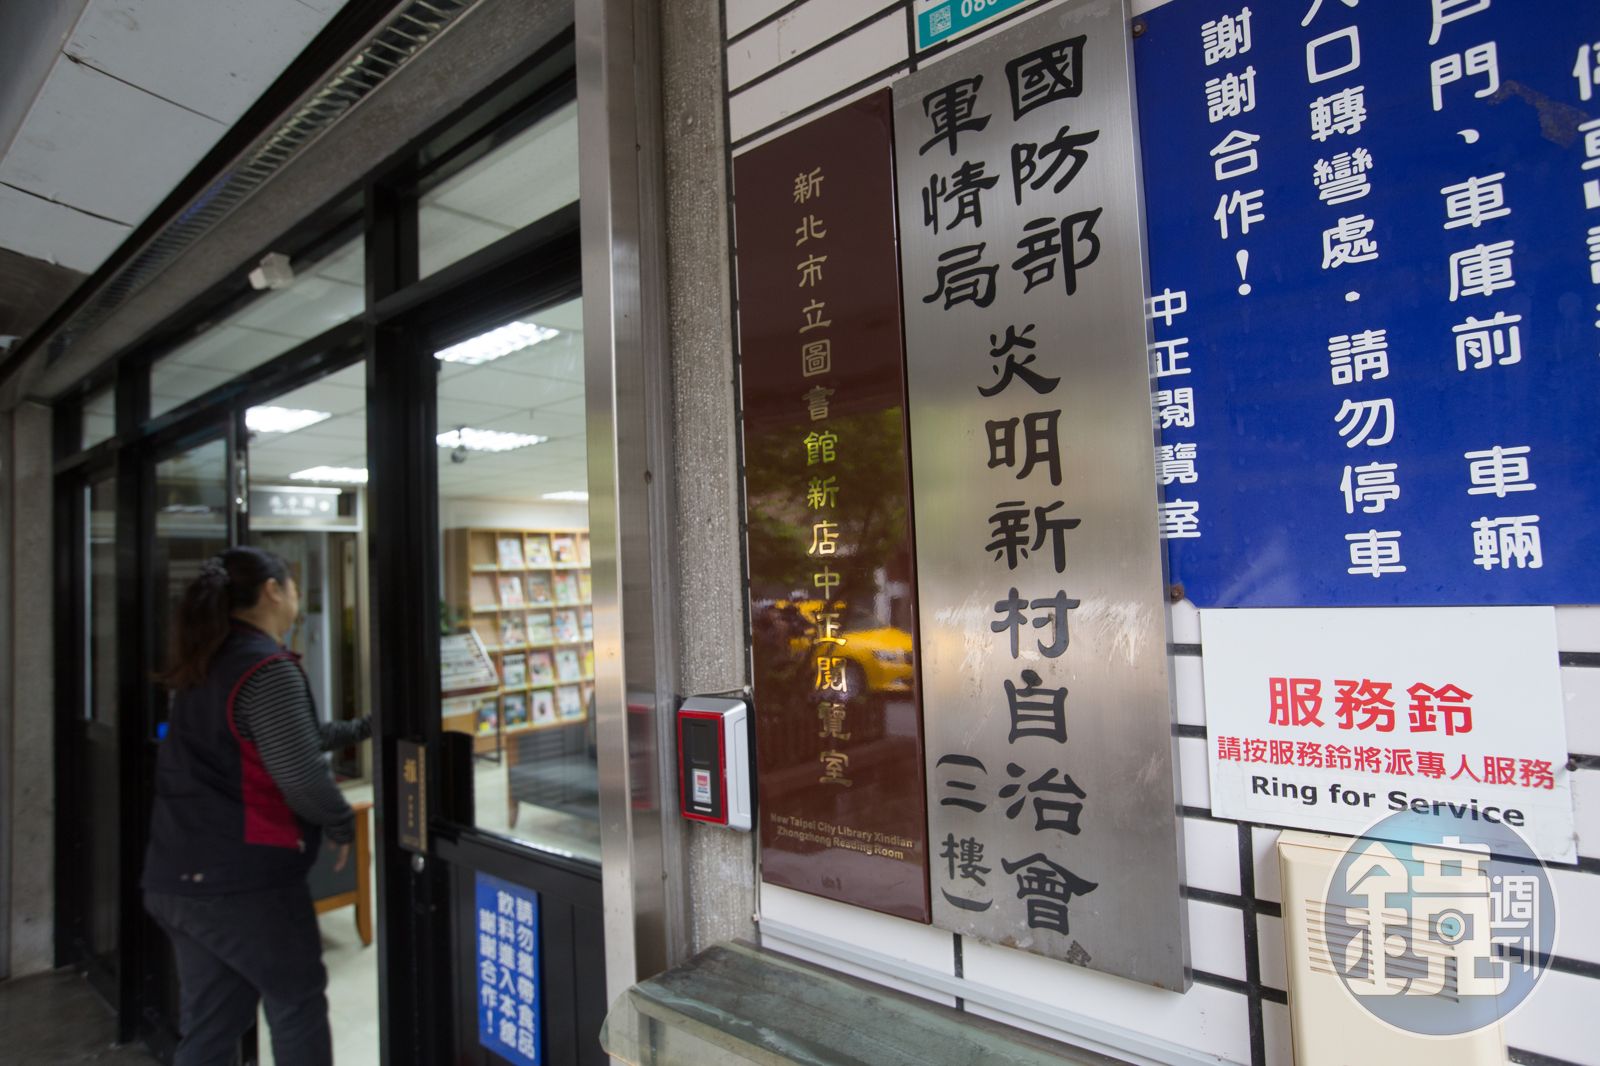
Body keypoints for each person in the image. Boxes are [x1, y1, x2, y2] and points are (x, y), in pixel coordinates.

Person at [142, 546, 371, 1065]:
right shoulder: (265, 667)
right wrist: (341, 823)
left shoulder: (210, 660)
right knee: (297, 1005)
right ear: (272, 591)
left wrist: (365, 727)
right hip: (242, 883)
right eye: (293, 587)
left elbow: (289, 739)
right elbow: (300, 775)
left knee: (213, 1022)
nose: (297, 599)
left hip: (178, 877)